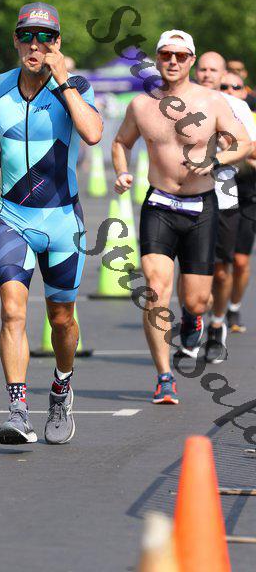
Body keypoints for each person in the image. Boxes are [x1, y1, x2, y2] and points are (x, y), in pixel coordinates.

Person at [0, 3, 102, 444]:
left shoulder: (76, 86)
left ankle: (62, 387)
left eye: (46, 37)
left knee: (61, 319)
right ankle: (18, 412)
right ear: (15, 40)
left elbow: (92, 133)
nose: (36, 45)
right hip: (13, 217)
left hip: (63, 220)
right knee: (12, 311)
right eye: (27, 36)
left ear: (57, 43)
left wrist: (63, 80)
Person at [112, 31, 251, 404]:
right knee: (156, 289)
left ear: (190, 60)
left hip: (200, 207)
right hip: (159, 204)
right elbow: (121, 142)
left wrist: (215, 159)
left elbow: (243, 143)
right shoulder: (141, 105)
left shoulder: (212, 101)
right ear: (157, 59)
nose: (172, 61)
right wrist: (121, 171)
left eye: (180, 55)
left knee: (197, 299)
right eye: (166, 55)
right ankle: (164, 376)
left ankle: (193, 318)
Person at [195, 54, 256, 363]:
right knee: (193, 270)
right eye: (203, 69)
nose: (208, 75)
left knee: (228, 267)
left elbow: (250, 148)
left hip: (234, 193)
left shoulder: (240, 108)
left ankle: (221, 319)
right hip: (191, 195)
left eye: (214, 71)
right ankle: (193, 316)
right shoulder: (182, 102)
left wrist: (225, 152)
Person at [220, 72, 256, 332]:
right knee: (219, 262)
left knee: (241, 261)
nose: (230, 90)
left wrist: (242, 152)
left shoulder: (249, 118)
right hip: (218, 193)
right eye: (224, 86)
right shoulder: (208, 114)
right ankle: (210, 310)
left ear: (245, 92)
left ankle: (233, 307)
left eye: (236, 87)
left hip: (247, 194)